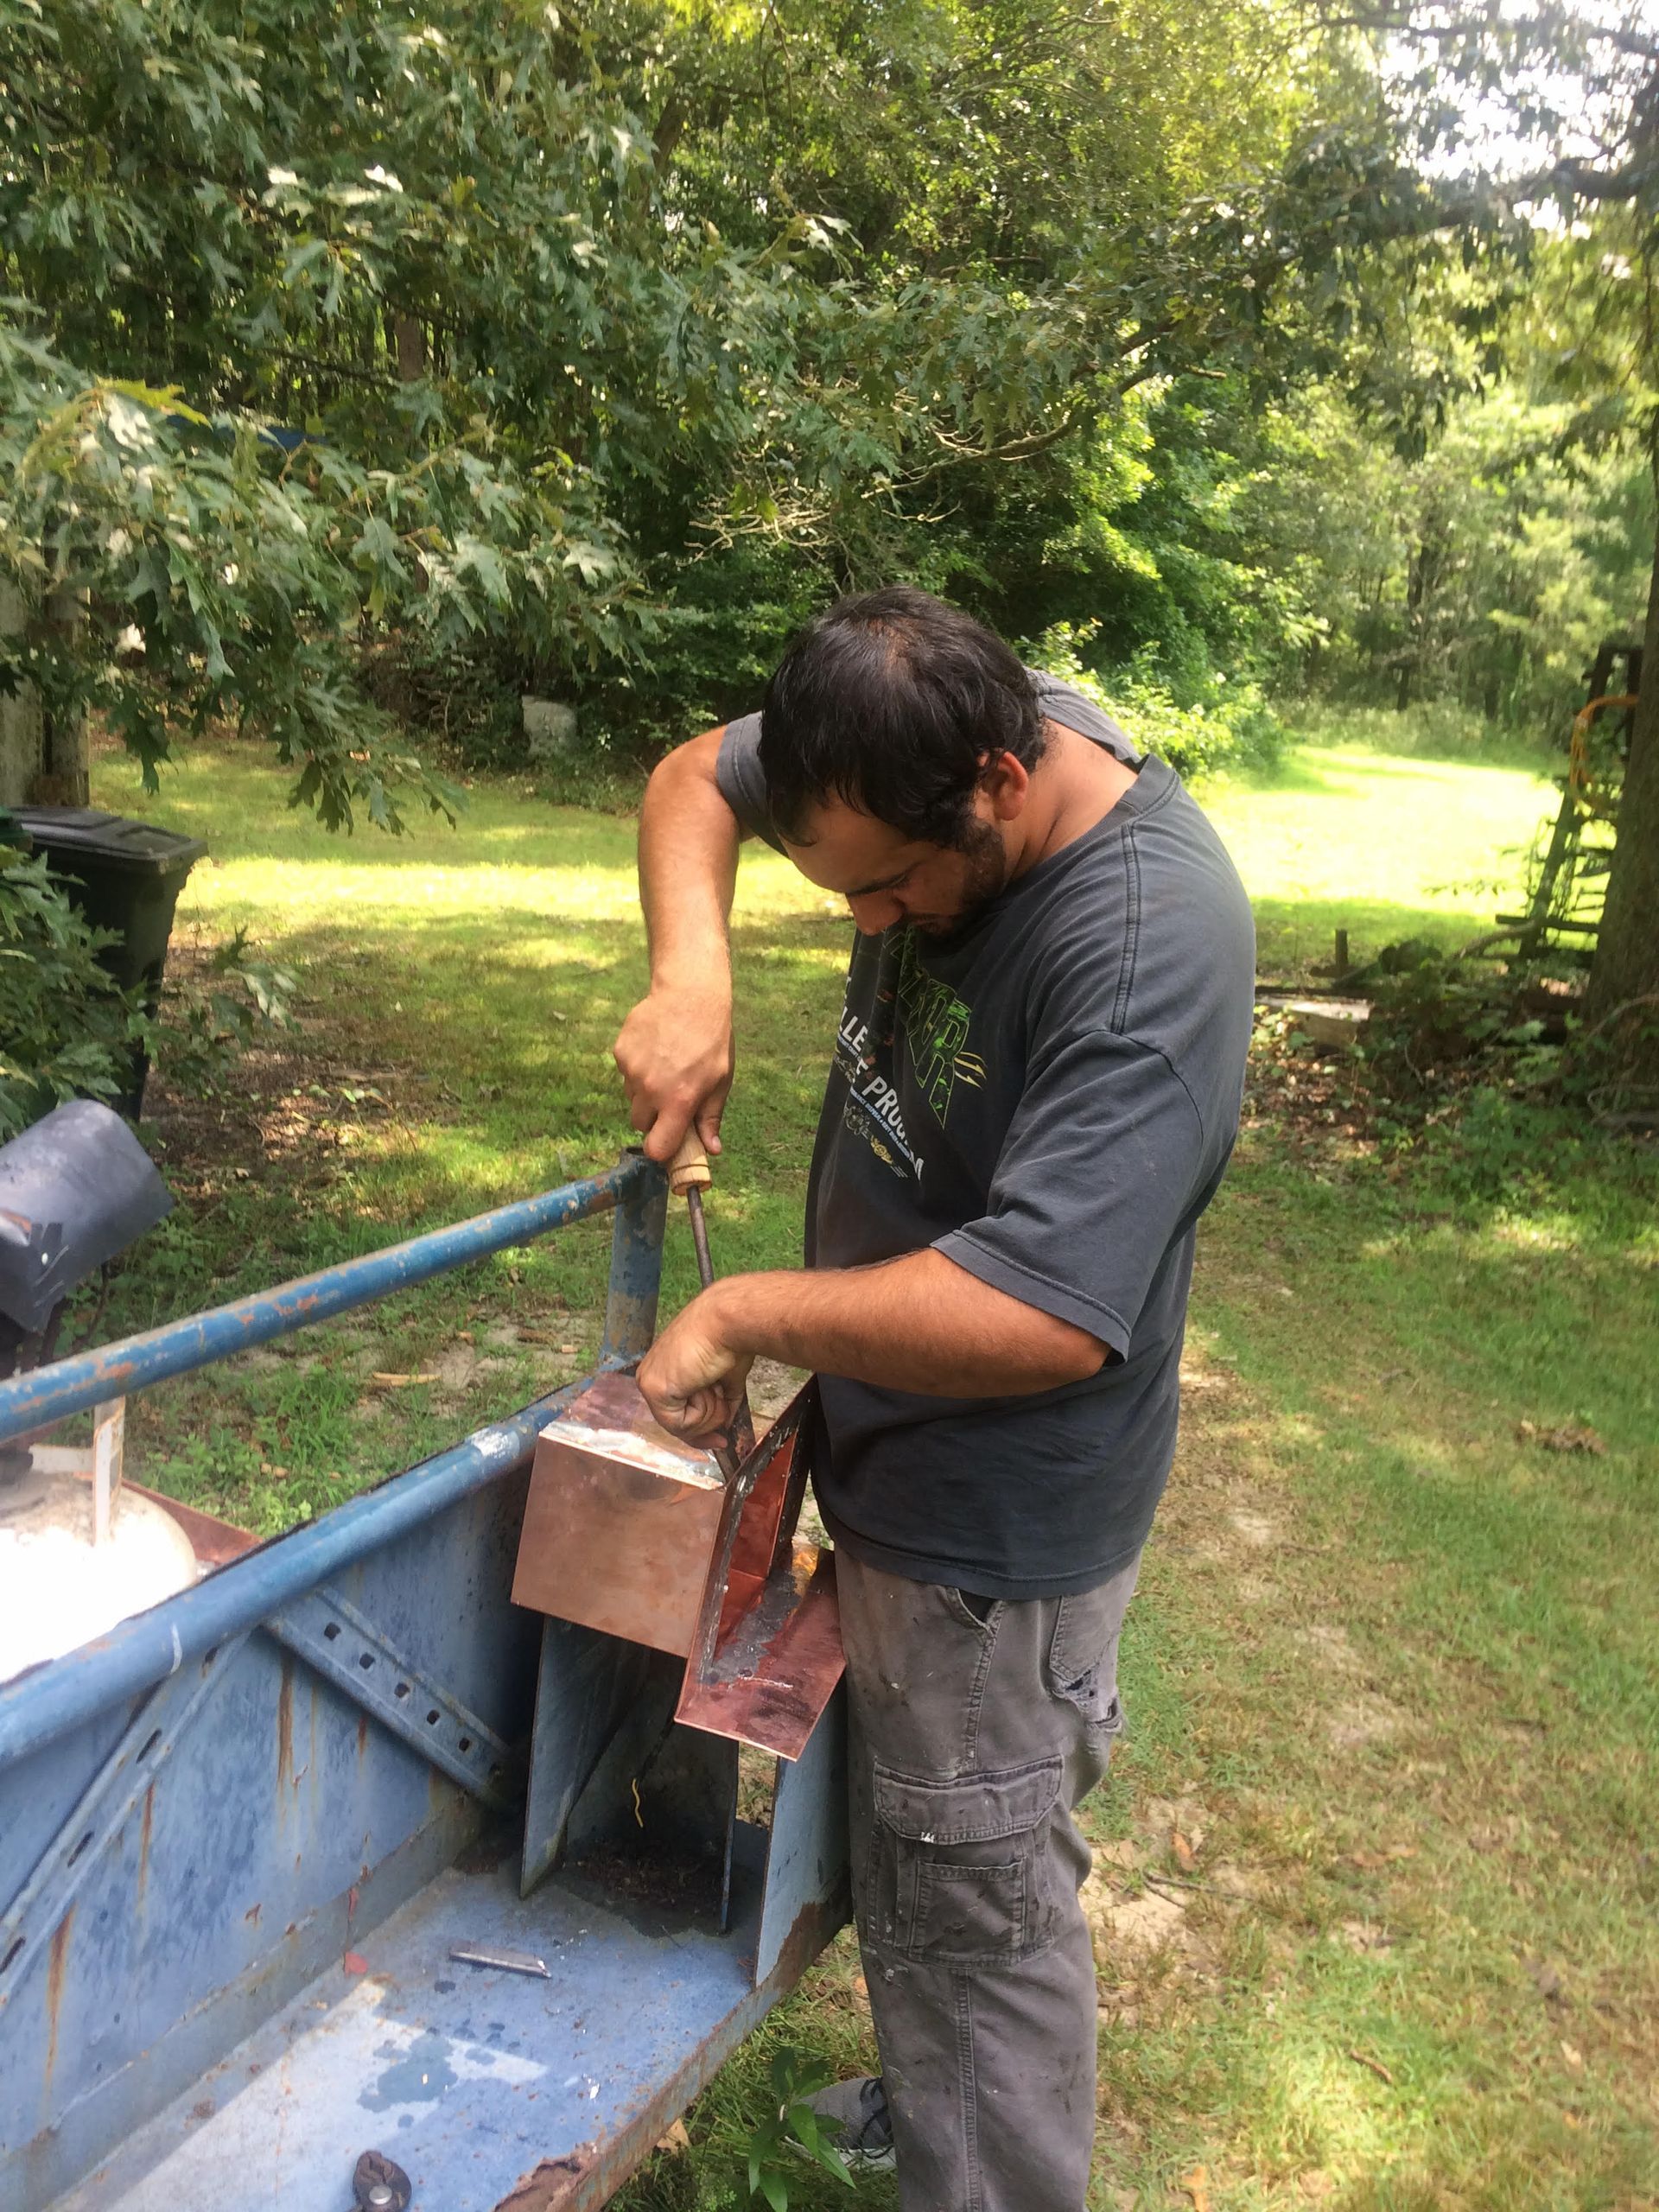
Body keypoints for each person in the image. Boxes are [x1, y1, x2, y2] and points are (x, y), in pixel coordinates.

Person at [614, 586, 1254, 2212]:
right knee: (920, 1831)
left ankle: (988, 2166)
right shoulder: (913, 732)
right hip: (899, 1448)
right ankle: (929, 2096)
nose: (874, 925)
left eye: (894, 889)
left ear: (1000, 782)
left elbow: (1041, 1314)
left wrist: (749, 1305)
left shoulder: (1144, 947)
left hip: (1001, 1522)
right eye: (844, 893)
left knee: (980, 1878)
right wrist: (696, 978)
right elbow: (699, 774)